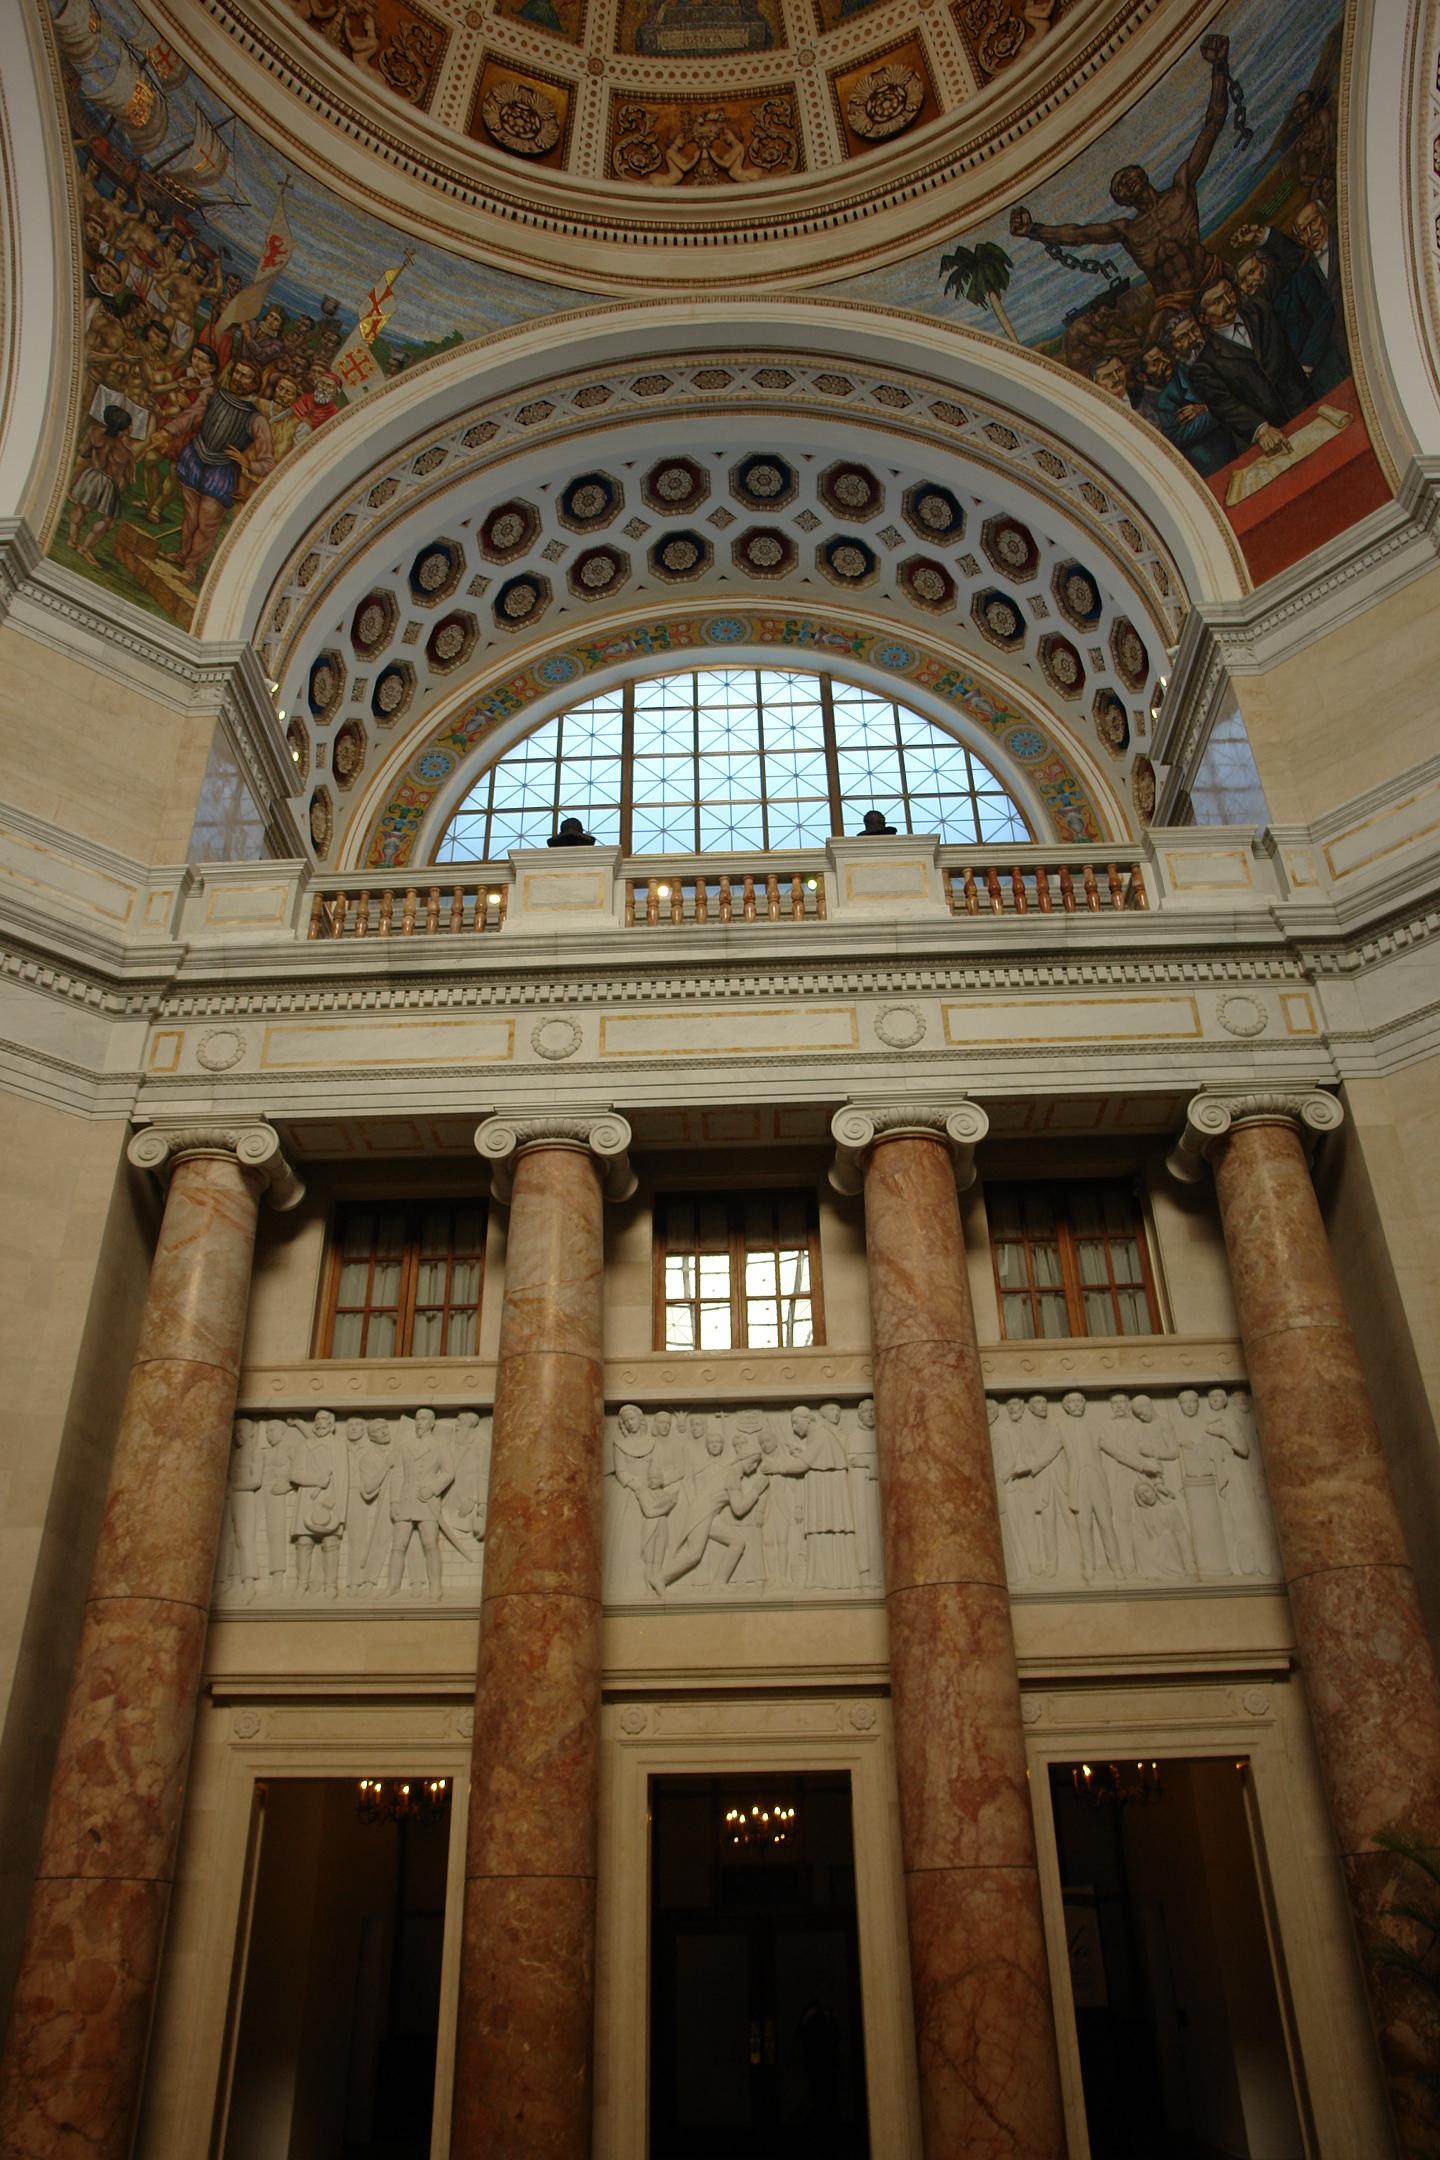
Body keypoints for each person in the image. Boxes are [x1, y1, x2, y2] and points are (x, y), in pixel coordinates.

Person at [1009, 35, 1234, 337]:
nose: (1125, 181)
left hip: (1211, 273)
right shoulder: (1127, 230)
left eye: (1127, 175)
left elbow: (1213, 123)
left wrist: (1219, 67)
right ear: (1121, 200)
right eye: (1119, 185)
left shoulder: (1181, 189)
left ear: (1143, 174)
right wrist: (1034, 230)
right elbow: (1079, 235)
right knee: (1152, 347)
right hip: (1173, 300)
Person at [174, 354, 274, 583]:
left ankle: (191, 567)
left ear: (255, 383)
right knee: (190, 515)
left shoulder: (256, 420)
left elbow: (268, 462)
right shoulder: (212, 395)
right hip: (195, 457)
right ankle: (181, 554)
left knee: (207, 524)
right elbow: (190, 417)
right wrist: (167, 432)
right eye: (237, 373)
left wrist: (248, 464)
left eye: (246, 376)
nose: (239, 378)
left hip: (221, 471)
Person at [1171, 307, 1292, 463]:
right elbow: (1179, 436)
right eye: (1182, 337)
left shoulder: (1224, 347)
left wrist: (1207, 408)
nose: (1193, 338)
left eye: (1193, 329)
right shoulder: (1174, 390)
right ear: (1171, 348)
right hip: (1233, 447)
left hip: (1269, 422)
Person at [64, 404, 134, 566]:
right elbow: (130, 479)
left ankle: (72, 539)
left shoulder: (94, 432)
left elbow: (83, 452)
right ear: (126, 428)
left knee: (81, 507)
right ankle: (85, 548)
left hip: (90, 476)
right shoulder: (126, 452)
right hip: (108, 484)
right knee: (108, 520)